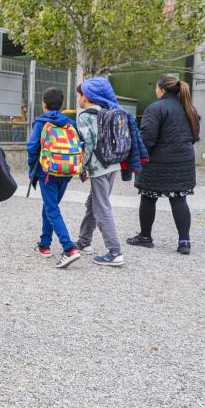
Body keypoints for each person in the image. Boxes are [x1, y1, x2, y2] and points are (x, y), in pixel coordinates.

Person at [127, 74, 199, 254]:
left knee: (148, 197)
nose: (155, 90)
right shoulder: (189, 108)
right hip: (183, 161)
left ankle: (145, 237)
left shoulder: (155, 108)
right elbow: (194, 136)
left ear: (162, 89)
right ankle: (184, 242)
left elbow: (148, 138)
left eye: (156, 88)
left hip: (158, 162)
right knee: (179, 199)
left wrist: (138, 155)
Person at [27, 88, 81, 268]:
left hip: (47, 172)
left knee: (51, 209)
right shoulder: (70, 123)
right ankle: (45, 245)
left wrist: (32, 169)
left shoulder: (40, 123)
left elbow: (32, 148)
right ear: (62, 104)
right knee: (50, 206)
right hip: (66, 172)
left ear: (43, 104)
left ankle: (69, 248)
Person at [75, 79, 125, 267]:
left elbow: (87, 144)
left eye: (79, 95)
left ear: (86, 97)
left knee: (101, 206)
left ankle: (115, 252)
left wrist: (82, 167)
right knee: (94, 202)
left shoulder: (85, 116)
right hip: (112, 164)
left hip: (98, 167)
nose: (78, 99)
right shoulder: (108, 111)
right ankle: (84, 240)